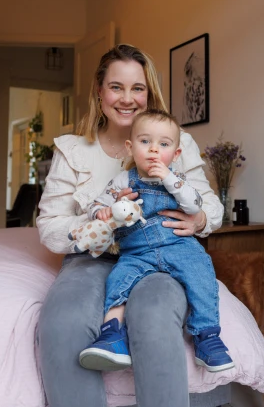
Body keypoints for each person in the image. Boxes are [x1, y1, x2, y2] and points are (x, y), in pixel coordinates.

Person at [36, 44, 224, 407]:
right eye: (116, 87)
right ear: (99, 91)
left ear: (149, 92)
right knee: (62, 322)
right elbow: (50, 228)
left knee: (154, 316)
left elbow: (211, 207)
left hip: (160, 256)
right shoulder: (71, 150)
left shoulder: (176, 142)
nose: (127, 99)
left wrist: (198, 220)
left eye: (137, 88)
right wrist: (101, 222)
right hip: (91, 258)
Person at [76, 109, 235, 374]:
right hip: (136, 252)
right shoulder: (123, 180)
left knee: (201, 273)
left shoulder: (179, 180)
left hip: (178, 245)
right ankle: (112, 335)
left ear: (175, 154)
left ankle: (207, 336)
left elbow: (194, 205)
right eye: (145, 142)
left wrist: (169, 178)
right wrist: (101, 211)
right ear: (130, 147)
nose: (153, 150)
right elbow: (97, 204)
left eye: (163, 144)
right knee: (117, 281)